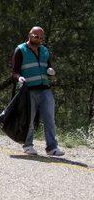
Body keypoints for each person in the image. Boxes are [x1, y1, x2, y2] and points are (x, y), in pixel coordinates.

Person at [12, 27, 64, 156]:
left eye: (41, 38)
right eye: (36, 36)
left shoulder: (45, 50)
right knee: (29, 119)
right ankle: (28, 145)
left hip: (45, 89)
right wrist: (20, 78)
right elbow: (15, 71)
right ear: (30, 35)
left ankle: (52, 148)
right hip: (29, 90)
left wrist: (51, 71)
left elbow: (49, 67)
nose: (39, 39)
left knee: (49, 119)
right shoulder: (20, 50)